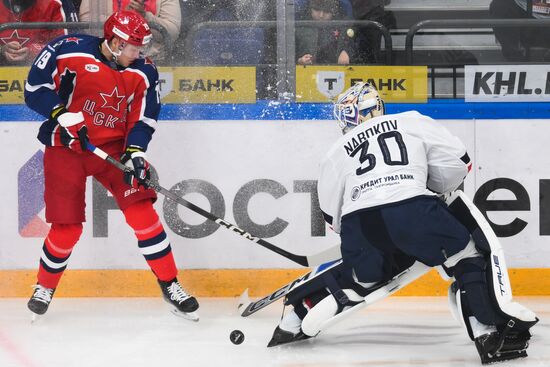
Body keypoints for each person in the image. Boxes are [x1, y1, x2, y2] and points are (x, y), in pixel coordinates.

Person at [267, 82, 539, 364]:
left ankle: (294, 319)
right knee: (466, 254)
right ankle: (487, 334)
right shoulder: (410, 121)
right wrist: (430, 187)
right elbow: (460, 163)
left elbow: (332, 217)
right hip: (413, 209)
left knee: (363, 275)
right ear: (377, 106)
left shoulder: (336, 151)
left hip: (360, 224)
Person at [23, 10, 199, 321]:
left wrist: (135, 152)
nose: (139, 53)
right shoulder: (68, 49)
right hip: (66, 147)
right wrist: (60, 114)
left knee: (142, 213)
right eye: (133, 47)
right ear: (115, 42)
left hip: (114, 152)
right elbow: (35, 89)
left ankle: (170, 284)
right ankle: (44, 287)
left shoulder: (144, 72)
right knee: (67, 229)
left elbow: (145, 118)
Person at [78, 0, 181, 63]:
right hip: (106, 58)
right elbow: (88, 23)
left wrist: (145, 17)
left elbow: (172, 32)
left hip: (152, 59)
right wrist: (123, 17)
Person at [0, 0, 68, 65]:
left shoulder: (52, 5)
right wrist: (1, 49)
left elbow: (63, 47)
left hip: (40, 71)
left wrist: (33, 51)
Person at [296, 0, 353, 65]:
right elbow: (288, 53)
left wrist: (346, 52)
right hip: (305, 72)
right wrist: (299, 60)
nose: (321, 15)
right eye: (317, 10)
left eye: (327, 11)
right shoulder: (300, 26)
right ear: (310, 9)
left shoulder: (342, 27)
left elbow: (356, 44)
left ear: (334, 12)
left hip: (336, 72)